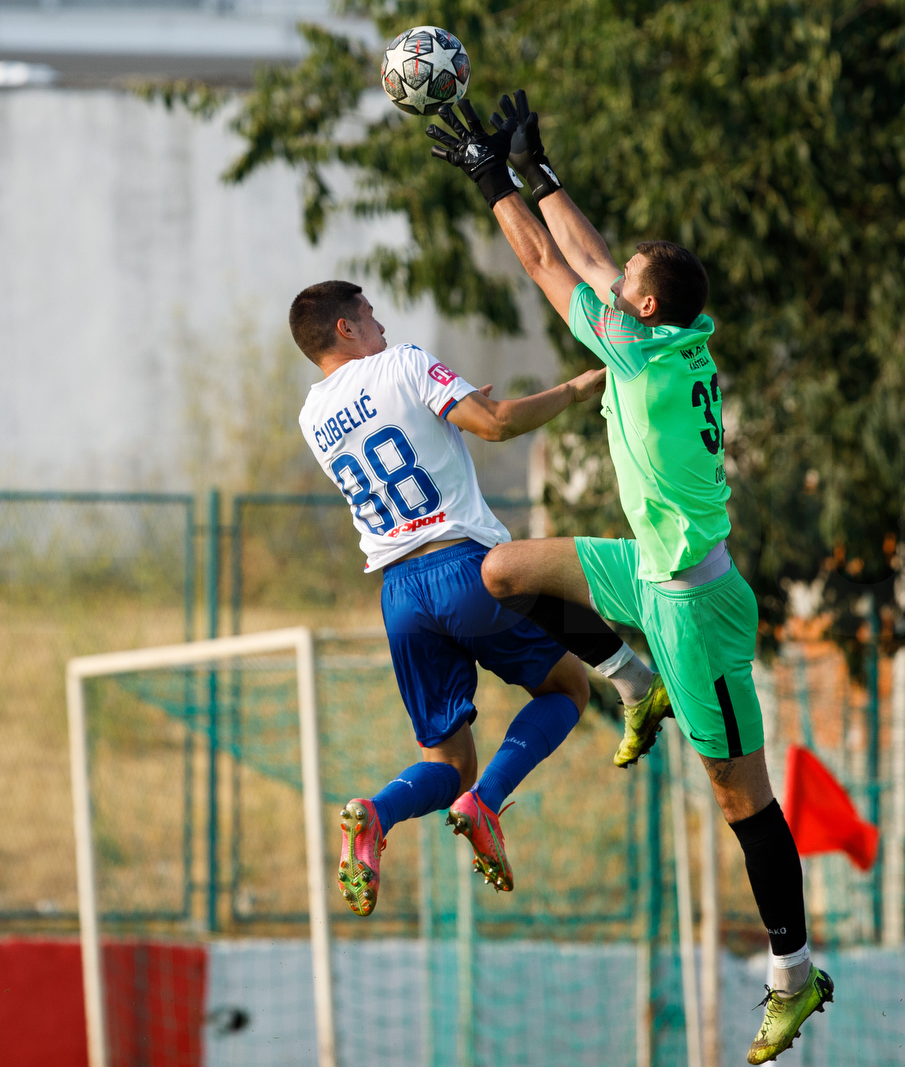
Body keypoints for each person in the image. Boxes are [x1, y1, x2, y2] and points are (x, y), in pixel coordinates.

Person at [427, 95, 833, 1063]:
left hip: (695, 606)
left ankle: (795, 970)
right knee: (498, 570)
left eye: (627, 288)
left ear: (642, 311)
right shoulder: (674, 331)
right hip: (646, 569)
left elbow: (542, 264)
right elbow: (595, 260)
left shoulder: (640, 356)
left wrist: (488, 177)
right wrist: (541, 170)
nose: (610, 288)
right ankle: (628, 678)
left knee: (742, 795)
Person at [292, 279, 605, 915]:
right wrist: (576, 388)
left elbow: (401, 434)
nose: (382, 326)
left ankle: (376, 813)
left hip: (400, 593)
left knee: (448, 762)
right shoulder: (402, 362)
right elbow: (493, 427)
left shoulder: (312, 416)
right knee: (569, 686)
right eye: (370, 317)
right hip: (463, 568)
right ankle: (486, 804)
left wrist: (449, 408)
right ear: (346, 329)